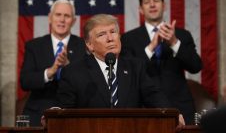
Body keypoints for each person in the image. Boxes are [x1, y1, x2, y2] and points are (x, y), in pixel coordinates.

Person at [55, 14, 185, 126]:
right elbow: (64, 113)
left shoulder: (135, 67)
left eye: (113, 32)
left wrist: (171, 113)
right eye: (102, 34)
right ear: (89, 45)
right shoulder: (73, 72)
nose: (110, 38)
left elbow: (154, 96)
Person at [120, 0, 203, 124]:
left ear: (164, 6)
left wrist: (174, 42)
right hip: (144, 107)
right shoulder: (129, 38)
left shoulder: (182, 35)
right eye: (147, 2)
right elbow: (129, 72)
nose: (152, 4)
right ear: (140, 9)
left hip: (180, 106)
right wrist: (151, 47)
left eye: (156, 0)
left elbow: (196, 66)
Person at [20, 0, 87, 126]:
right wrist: (50, 72)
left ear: (73, 21)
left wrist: (68, 67)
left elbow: (88, 83)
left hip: (73, 114)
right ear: (50, 18)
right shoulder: (34, 46)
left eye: (66, 16)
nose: (62, 20)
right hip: (38, 113)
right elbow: (25, 81)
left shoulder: (83, 46)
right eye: (58, 15)